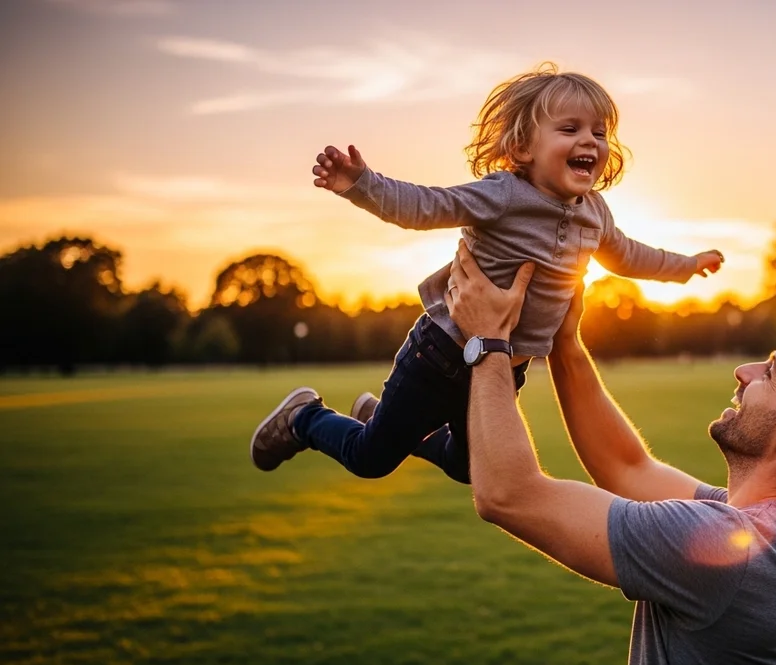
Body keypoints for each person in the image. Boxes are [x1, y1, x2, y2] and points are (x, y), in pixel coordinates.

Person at [445, 242, 776, 665]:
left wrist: (488, 341)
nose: (743, 371)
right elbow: (627, 467)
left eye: (769, 373)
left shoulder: (737, 557)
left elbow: (509, 494)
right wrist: (565, 339)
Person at [249, 65, 723, 483]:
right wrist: (361, 184)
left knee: (473, 468)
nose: (590, 141)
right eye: (570, 128)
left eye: (599, 132)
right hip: (441, 353)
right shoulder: (504, 194)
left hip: (502, 367)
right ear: (522, 147)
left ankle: (382, 419)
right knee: (369, 459)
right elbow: (428, 205)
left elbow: (628, 255)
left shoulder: (594, 212)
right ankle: (305, 416)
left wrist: (685, 267)